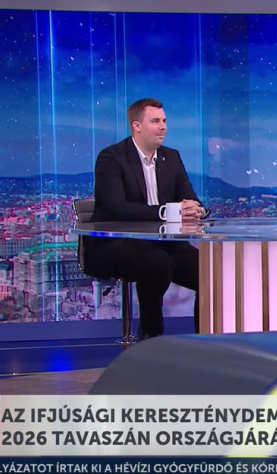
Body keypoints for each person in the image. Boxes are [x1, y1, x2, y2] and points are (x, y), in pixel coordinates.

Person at [83, 98, 210, 339]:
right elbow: (116, 209)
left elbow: (191, 199)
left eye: (164, 121)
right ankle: (150, 336)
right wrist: (165, 212)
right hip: (117, 245)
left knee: (209, 271)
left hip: (164, 244)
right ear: (137, 126)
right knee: (156, 263)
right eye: (155, 121)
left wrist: (197, 210)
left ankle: (205, 340)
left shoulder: (171, 158)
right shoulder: (112, 158)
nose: (163, 127)